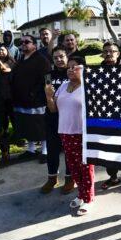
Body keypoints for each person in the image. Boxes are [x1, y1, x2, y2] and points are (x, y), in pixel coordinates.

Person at [45, 56, 94, 215]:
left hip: (83, 133)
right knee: (73, 167)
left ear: (84, 69)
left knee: (86, 167)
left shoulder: (89, 87)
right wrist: (48, 96)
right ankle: (81, 194)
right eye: (69, 67)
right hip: (65, 132)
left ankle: (89, 199)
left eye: (75, 67)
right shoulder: (63, 86)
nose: (71, 69)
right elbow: (53, 109)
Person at [98, 41, 121, 194]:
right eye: (105, 51)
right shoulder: (96, 72)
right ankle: (112, 177)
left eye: (112, 51)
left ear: (118, 53)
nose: (108, 54)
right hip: (105, 118)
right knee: (107, 150)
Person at [10, 34, 50, 161]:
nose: (23, 44)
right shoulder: (21, 59)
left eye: (27, 42)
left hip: (37, 100)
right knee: (27, 125)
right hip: (21, 100)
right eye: (21, 42)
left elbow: (48, 79)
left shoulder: (42, 60)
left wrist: (44, 94)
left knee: (40, 127)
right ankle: (31, 149)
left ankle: (45, 151)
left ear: (34, 45)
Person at [40, 47, 74, 194]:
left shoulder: (72, 74)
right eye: (56, 58)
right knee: (52, 150)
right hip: (52, 117)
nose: (59, 60)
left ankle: (69, 178)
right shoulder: (48, 75)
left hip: (70, 117)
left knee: (69, 150)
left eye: (61, 56)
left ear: (67, 57)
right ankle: (52, 178)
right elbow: (47, 95)